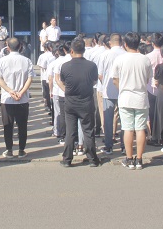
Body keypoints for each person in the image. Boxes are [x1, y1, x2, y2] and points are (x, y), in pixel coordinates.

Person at [112, 32, 152, 170]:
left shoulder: (120, 59)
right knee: (140, 129)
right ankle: (139, 159)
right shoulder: (145, 59)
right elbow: (147, 79)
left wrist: (122, 88)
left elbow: (115, 79)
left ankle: (129, 159)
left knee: (128, 129)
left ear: (125, 44)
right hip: (141, 97)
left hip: (125, 98)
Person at [58, 38, 100, 167]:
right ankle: (92, 159)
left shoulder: (65, 66)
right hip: (86, 101)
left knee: (70, 132)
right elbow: (94, 81)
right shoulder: (91, 66)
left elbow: (63, 81)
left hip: (70, 102)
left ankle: (67, 159)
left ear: (71, 51)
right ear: (84, 50)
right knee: (88, 131)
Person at [0, 37, 34, 159]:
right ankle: (21, 150)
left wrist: (10, 91)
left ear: (7, 47)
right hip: (22, 99)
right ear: (20, 47)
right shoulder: (27, 61)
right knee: (22, 126)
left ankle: (9, 150)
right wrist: (21, 92)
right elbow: (30, 79)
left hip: (7, 98)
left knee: (8, 126)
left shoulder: (2, 61)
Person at [98, 33, 126, 154]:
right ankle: (124, 146)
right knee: (124, 120)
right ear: (121, 42)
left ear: (110, 42)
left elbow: (100, 75)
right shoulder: (126, 54)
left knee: (108, 120)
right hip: (123, 90)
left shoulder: (105, 55)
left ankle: (108, 146)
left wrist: (104, 83)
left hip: (108, 90)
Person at [146, 33, 163, 145]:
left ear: (152, 43)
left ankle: (154, 136)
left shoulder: (148, 57)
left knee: (152, 113)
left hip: (150, 88)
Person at [37, 41, 56, 115]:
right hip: (54, 77)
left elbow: (41, 65)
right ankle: (52, 108)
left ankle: (49, 107)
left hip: (46, 76)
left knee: (47, 93)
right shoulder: (55, 55)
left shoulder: (43, 56)